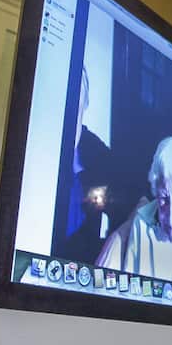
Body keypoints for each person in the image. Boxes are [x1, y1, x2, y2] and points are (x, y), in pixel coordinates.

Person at [97, 136, 172, 291]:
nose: (171, 218)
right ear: (155, 192)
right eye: (164, 199)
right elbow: (130, 291)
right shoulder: (141, 224)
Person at [57, 67, 117, 263]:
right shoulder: (43, 140)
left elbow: (122, 207)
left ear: (86, 102)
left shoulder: (101, 156)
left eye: (78, 94)